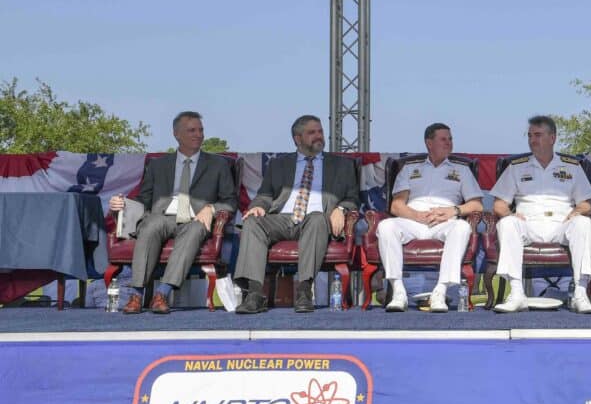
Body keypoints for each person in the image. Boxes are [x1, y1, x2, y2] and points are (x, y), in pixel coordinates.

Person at [109, 111, 237, 314]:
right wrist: (121, 205)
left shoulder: (218, 165)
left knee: (195, 229)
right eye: (192, 130)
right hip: (162, 217)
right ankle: (136, 294)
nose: (198, 135)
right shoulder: (158, 165)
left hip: (195, 219)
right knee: (150, 225)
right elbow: (143, 200)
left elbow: (230, 201)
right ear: (176, 134)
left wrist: (211, 208)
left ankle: (162, 293)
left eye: (201, 130)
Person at [234, 115, 360, 314]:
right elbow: (265, 195)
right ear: (297, 138)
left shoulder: (342, 165)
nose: (318, 136)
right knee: (252, 222)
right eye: (312, 132)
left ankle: (304, 291)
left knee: (316, 217)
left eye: (320, 131)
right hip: (282, 218)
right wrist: (257, 206)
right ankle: (255, 294)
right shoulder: (279, 164)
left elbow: (353, 197)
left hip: (318, 219)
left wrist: (341, 209)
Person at [489, 116, 591, 314]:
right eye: (530, 135)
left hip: (561, 224)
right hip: (528, 224)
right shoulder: (516, 166)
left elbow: (586, 203)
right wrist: (510, 214)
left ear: (552, 138)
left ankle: (580, 294)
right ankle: (516, 293)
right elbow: (499, 204)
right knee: (506, 223)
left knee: (583, 223)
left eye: (538, 135)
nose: (532, 140)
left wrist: (576, 212)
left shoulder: (572, 166)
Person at [375, 123, 484, 312]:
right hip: (413, 221)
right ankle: (398, 291)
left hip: (444, 222)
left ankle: (440, 291)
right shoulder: (409, 169)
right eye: (443, 139)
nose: (449, 143)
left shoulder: (462, 170)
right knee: (386, 226)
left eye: (450, 139)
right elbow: (396, 205)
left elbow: (477, 205)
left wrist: (453, 211)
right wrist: (416, 215)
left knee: (462, 227)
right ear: (429, 143)